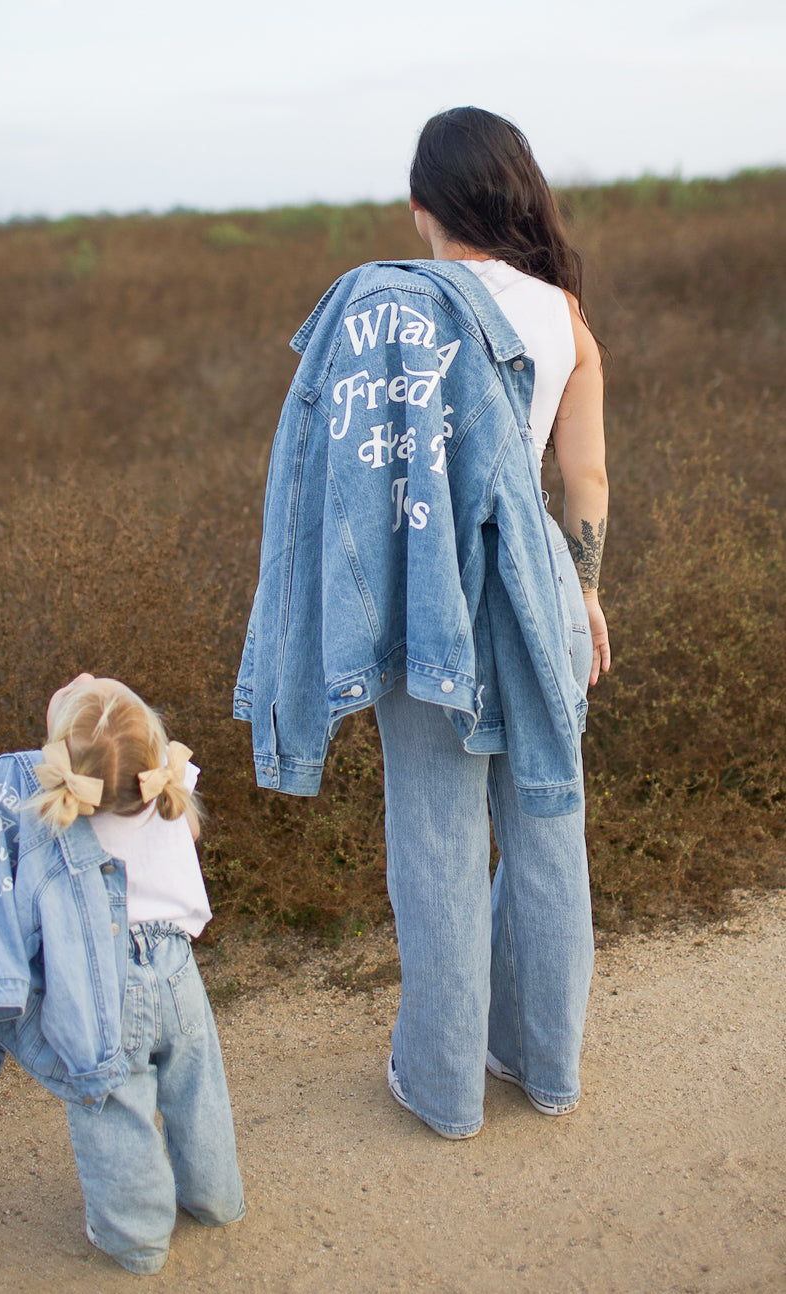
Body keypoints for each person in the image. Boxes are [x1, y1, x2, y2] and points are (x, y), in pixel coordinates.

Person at [235, 106, 609, 1140]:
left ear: (421, 213)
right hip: (535, 588)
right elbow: (583, 476)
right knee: (546, 828)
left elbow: (351, 474)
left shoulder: (382, 312)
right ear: (516, 193)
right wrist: (583, 593)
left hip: (428, 594)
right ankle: (544, 1066)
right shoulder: (560, 315)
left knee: (436, 843)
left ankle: (442, 1089)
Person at [0, 674, 245, 1274]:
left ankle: (137, 1239)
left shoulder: (60, 815)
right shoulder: (168, 783)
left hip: (102, 979)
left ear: (60, 762)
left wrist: (62, 721)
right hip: (178, 972)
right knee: (197, 1088)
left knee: (112, 1100)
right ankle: (217, 1199)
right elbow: (187, 828)